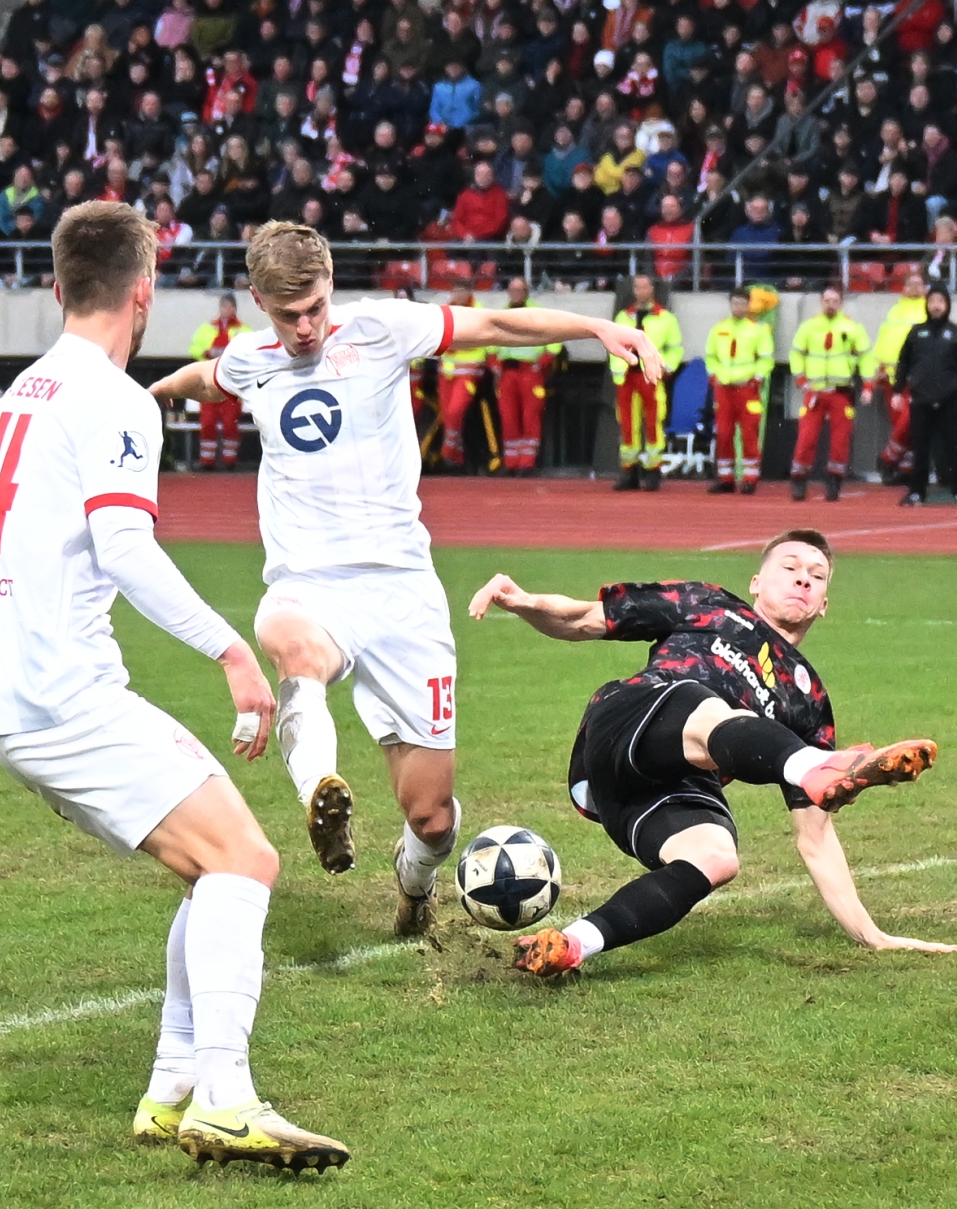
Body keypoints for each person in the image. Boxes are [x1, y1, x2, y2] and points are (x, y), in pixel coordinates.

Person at [0, 202, 346, 1171]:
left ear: (58, 287)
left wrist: (19, 648)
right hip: (70, 697)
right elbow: (124, 545)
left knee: (215, 863)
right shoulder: (116, 397)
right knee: (246, 859)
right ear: (144, 292)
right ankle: (227, 1098)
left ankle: (170, 1091)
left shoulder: (19, 395)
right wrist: (231, 650)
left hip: (22, 704)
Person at [148, 221, 662, 936]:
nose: (305, 327)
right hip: (309, 582)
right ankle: (321, 793)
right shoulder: (249, 358)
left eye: (316, 307)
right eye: (289, 314)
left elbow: (494, 324)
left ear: (332, 286)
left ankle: (414, 884)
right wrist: (151, 394)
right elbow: (205, 381)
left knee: (433, 817)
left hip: (403, 593)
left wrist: (597, 326)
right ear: (260, 302)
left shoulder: (381, 328)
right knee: (294, 648)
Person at [465, 531, 956, 977]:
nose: (803, 579)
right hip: (630, 718)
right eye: (789, 567)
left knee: (716, 857)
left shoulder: (808, 700)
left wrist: (873, 935)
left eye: (817, 576)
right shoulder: (709, 604)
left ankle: (573, 944)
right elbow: (580, 619)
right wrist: (523, 601)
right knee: (708, 707)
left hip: (658, 789)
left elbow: (816, 838)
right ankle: (811, 765)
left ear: (824, 604)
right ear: (756, 582)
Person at [788, 282, 872, 502]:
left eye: (835, 301)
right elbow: (796, 353)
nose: (830, 304)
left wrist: (868, 385)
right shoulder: (809, 327)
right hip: (814, 391)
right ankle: (799, 478)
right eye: (827, 301)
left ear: (841, 303)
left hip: (841, 391)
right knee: (806, 437)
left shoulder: (852, 328)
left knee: (840, 439)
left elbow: (865, 356)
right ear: (821, 302)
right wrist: (800, 378)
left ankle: (834, 480)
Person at [895, 285, 957, 507]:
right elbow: (903, 362)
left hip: (951, 399)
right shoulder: (916, 333)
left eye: (940, 301)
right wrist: (898, 390)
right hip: (921, 399)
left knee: (954, 447)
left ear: (947, 305)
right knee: (920, 449)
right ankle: (917, 492)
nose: (936, 306)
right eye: (932, 301)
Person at [609, 272, 684, 491]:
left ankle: (653, 471)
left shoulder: (666, 318)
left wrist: (665, 368)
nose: (640, 291)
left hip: (650, 377)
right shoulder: (623, 317)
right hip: (627, 377)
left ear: (652, 289)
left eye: (644, 287)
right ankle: (629, 471)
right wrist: (617, 371)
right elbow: (614, 346)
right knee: (627, 425)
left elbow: (676, 349)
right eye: (637, 287)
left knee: (653, 423)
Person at [703, 285, 774, 495]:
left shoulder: (759, 329)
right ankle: (726, 478)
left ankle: (750, 478)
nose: (738, 307)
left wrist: (756, 379)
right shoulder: (719, 329)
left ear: (749, 305)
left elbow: (766, 358)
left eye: (742, 303)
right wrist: (714, 376)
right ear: (730, 304)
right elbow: (711, 356)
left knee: (749, 433)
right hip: (724, 389)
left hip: (747, 389)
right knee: (724, 433)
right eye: (735, 303)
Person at [490, 277, 561, 475]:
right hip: (507, 373)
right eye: (513, 290)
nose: (516, 294)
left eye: (519, 290)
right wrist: (494, 365)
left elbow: (555, 342)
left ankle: (527, 462)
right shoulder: (501, 315)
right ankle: (511, 462)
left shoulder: (538, 314)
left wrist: (541, 363)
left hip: (530, 372)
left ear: (526, 292)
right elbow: (490, 345)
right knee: (508, 417)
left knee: (530, 416)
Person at [864, 268, 926, 484]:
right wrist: (877, 370)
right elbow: (884, 342)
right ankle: (906, 470)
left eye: (918, 284)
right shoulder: (894, 311)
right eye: (910, 284)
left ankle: (888, 458)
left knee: (910, 422)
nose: (914, 288)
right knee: (901, 423)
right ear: (904, 287)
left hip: (916, 378)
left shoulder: (927, 310)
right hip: (891, 378)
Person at [433, 278, 494, 472]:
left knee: (455, 411)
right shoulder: (444, 311)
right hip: (446, 373)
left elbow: (481, 339)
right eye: (456, 290)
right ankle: (456, 456)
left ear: (470, 291)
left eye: (462, 290)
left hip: (469, 372)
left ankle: (448, 452)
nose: (459, 294)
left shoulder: (478, 312)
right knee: (448, 415)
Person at [186, 294, 248, 469]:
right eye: (224, 306)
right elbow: (194, 348)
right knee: (207, 421)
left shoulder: (244, 330)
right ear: (220, 308)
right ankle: (207, 462)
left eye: (230, 307)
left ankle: (230, 461)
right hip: (210, 382)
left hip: (231, 384)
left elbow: (249, 352)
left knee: (230, 423)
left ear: (234, 308)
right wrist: (207, 352)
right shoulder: (208, 328)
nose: (227, 310)